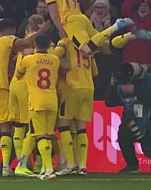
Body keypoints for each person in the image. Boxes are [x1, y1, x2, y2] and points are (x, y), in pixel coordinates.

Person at [0, 18, 41, 176]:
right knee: (4, 129)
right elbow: (25, 43)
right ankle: (5, 166)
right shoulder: (7, 39)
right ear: (9, 29)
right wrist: (40, 31)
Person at [16, 34, 67, 180]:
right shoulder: (55, 60)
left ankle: (48, 169)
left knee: (40, 135)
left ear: (35, 45)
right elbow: (65, 67)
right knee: (44, 133)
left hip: (36, 102)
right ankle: (26, 165)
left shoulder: (28, 60)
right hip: (52, 101)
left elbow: (19, 74)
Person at [105, 62, 151, 173]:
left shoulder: (149, 79)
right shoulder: (123, 82)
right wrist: (111, 85)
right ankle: (132, 165)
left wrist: (135, 90)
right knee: (123, 135)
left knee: (150, 150)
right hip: (134, 119)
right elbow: (109, 102)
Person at [51, 36, 98, 176]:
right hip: (88, 88)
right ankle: (82, 165)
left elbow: (53, 57)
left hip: (71, 87)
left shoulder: (65, 42)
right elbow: (95, 72)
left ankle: (70, 164)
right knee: (81, 128)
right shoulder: (88, 45)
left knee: (63, 125)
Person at [9, 14, 44, 163]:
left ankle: (21, 161)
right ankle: (32, 164)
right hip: (27, 86)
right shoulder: (39, 42)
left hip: (14, 85)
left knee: (18, 125)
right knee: (32, 127)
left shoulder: (20, 43)